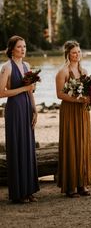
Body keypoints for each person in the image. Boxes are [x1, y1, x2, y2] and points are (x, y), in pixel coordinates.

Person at [0, 36, 39, 203]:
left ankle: (29, 190)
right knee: (17, 146)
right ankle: (18, 193)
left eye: (24, 46)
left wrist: (35, 109)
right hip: (14, 109)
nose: (23, 49)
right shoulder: (6, 67)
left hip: (26, 107)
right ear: (11, 49)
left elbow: (30, 90)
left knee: (28, 146)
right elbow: (1, 93)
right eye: (19, 47)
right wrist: (24, 88)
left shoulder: (27, 65)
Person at [55, 41, 91, 198]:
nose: (77, 55)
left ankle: (81, 184)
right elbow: (60, 95)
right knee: (71, 143)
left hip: (82, 111)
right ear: (67, 54)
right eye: (74, 52)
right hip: (70, 111)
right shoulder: (62, 72)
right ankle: (70, 185)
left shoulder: (84, 71)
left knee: (83, 144)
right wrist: (78, 100)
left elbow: (88, 91)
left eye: (79, 51)